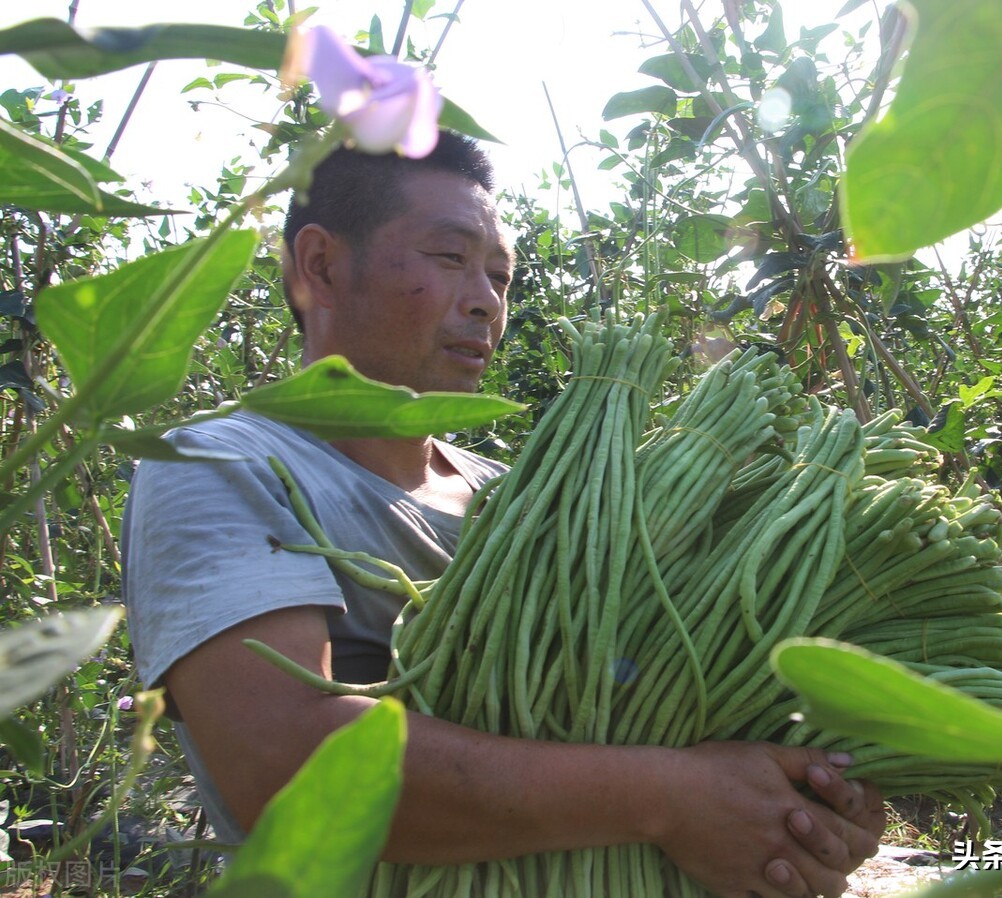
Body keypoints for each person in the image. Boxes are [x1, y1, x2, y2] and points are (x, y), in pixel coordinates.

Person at [122, 133, 885, 898]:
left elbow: (666, 707)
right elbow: (288, 766)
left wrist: (805, 808)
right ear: (321, 266)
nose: (487, 301)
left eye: (499, 275)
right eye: (450, 259)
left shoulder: (524, 495)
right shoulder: (222, 465)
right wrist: (674, 799)